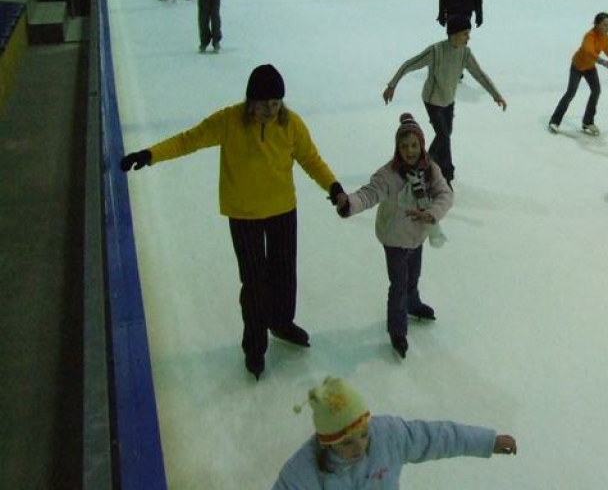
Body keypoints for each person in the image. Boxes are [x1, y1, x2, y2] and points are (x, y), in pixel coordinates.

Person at [119, 65, 345, 380]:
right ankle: (254, 346)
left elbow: (310, 159)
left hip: (282, 210)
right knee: (253, 284)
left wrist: (333, 188)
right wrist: (150, 154)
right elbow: (189, 140)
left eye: (276, 102)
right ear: (250, 100)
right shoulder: (228, 121)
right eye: (265, 102)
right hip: (243, 214)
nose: (271, 109)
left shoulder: (290, 124)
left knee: (283, 274)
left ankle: (281, 322)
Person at [335, 113, 452, 358]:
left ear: (421, 144)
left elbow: (445, 194)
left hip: (417, 236)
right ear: (397, 148)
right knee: (398, 285)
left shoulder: (430, 170)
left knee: (413, 277)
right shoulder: (388, 175)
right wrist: (349, 204)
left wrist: (431, 214)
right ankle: (397, 329)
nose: (410, 150)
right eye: (404, 146)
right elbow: (369, 194)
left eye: (414, 145)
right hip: (394, 239)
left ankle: (413, 302)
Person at [273, 375, 517, 489]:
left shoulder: (388, 436)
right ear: (327, 442)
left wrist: (487, 441)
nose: (359, 445)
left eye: (363, 433)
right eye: (346, 442)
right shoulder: (303, 471)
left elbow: (437, 437)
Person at [383, 16, 506, 185]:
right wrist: (392, 85)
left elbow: (479, 74)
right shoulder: (436, 51)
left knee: (444, 136)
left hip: (449, 100)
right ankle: (446, 175)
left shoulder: (465, 52)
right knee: (444, 136)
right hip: (432, 100)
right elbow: (409, 65)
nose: (468, 38)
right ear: (454, 34)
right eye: (465, 34)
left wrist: (495, 94)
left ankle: (424, 164)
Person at [548, 13, 608, 135]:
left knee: (596, 91)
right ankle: (554, 121)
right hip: (577, 66)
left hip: (590, 68)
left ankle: (588, 121)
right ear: (597, 24)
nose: (607, 27)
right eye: (604, 24)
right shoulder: (589, 36)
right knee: (571, 93)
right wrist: (604, 62)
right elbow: (589, 52)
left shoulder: (605, 37)